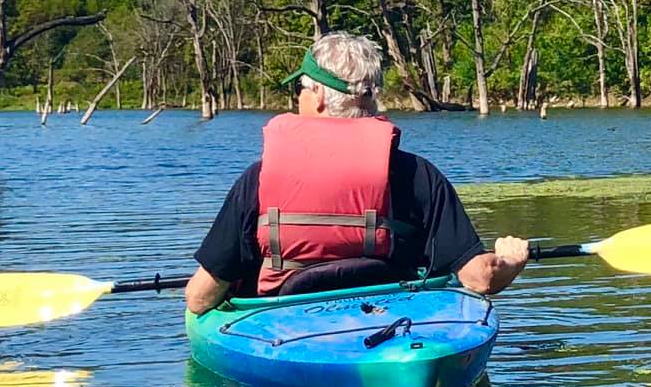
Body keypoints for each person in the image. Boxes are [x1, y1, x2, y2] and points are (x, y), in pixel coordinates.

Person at [185, 31, 529, 314]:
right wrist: (511, 261)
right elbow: (480, 279)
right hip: (392, 322)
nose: (298, 99)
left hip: (287, 326)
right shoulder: (417, 174)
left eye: (300, 89)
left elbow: (200, 299)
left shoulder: (259, 179)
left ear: (317, 94)